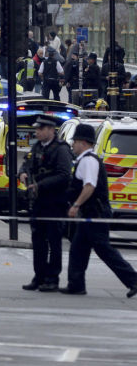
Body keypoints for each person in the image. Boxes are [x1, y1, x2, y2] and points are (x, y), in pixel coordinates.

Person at [61, 123, 137, 297]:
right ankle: (76, 284)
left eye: (75, 141)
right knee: (78, 248)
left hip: (95, 213)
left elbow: (89, 186)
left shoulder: (88, 161)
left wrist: (76, 205)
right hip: (91, 213)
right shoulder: (86, 160)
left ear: (83, 143)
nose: (72, 145)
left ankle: (133, 280)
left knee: (104, 250)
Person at [19, 115, 73, 292]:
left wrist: (40, 185)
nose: (37, 132)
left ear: (51, 130)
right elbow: (27, 164)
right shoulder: (37, 147)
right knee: (38, 240)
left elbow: (64, 175)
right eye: (37, 129)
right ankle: (39, 276)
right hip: (38, 202)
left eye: (40, 129)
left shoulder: (61, 149)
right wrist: (23, 173)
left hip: (55, 202)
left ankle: (52, 278)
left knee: (54, 241)